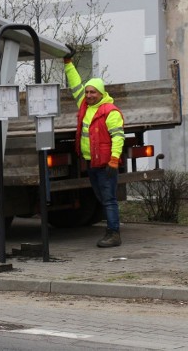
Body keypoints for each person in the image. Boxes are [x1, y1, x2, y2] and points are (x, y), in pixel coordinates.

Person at [63, 45, 125, 247]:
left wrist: (115, 159)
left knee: (108, 199)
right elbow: (75, 85)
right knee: (101, 197)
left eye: (93, 92)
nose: (88, 95)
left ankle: (114, 234)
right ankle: (111, 230)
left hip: (106, 164)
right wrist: (68, 63)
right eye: (88, 91)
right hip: (92, 162)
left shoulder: (110, 111)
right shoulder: (85, 105)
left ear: (101, 93)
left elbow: (118, 137)